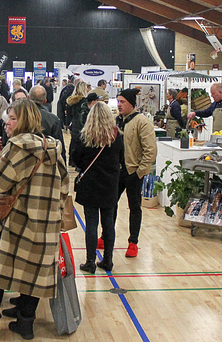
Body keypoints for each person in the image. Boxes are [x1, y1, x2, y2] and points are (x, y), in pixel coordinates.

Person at [0, 99, 68, 340]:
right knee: (32, 271)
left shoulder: (17, 147)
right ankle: (25, 323)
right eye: (7, 118)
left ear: (24, 120)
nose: (8, 124)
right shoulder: (51, 146)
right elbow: (64, 184)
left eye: (12, 118)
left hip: (15, 221)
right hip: (44, 223)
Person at [100, 88, 156, 258]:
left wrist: (140, 172)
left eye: (122, 102)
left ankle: (133, 242)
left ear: (132, 103)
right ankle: (105, 236)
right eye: (118, 101)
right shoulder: (116, 121)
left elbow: (150, 150)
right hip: (116, 171)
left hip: (133, 172)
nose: (119, 105)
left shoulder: (142, 122)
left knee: (134, 207)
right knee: (109, 205)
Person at [71, 102, 123, 273]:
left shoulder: (84, 137)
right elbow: (122, 159)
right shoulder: (117, 137)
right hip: (110, 184)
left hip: (90, 184)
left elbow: (76, 159)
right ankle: (108, 259)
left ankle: (90, 261)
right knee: (109, 223)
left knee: (91, 223)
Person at [187, 83, 222, 157]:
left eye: (213, 93)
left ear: (220, 92)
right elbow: (207, 112)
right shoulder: (216, 104)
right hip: (217, 141)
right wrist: (195, 113)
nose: (212, 96)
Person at [30, 85, 66, 162]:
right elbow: (59, 146)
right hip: (46, 162)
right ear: (45, 101)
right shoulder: (53, 119)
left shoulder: (17, 116)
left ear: (27, 97)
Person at [66, 80, 91, 164]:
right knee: (80, 142)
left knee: (73, 141)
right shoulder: (84, 101)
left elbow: (68, 114)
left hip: (73, 123)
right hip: (80, 124)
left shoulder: (71, 101)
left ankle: (71, 160)